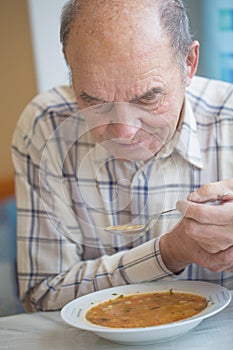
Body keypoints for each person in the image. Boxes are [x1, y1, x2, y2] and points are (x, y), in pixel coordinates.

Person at [12, 0, 233, 312]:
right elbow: (43, 296)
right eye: (94, 101)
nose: (123, 132)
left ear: (189, 63)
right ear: (70, 66)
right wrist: (169, 252)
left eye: (148, 97)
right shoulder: (46, 126)